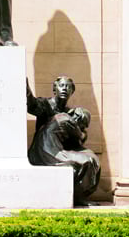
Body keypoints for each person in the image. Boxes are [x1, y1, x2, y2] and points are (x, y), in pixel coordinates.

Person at [26, 76, 101, 205]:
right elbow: (31, 104)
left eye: (68, 87)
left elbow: (75, 141)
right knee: (83, 162)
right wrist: (25, 87)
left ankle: (79, 195)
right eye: (62, 85)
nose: (65, 89)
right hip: (44, 151)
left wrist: (81, 133)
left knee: (92, 159)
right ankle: (78, 196)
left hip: (61, 149)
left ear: (72, 91)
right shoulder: (46, 105)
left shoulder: (70, 112)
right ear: (55, 89)